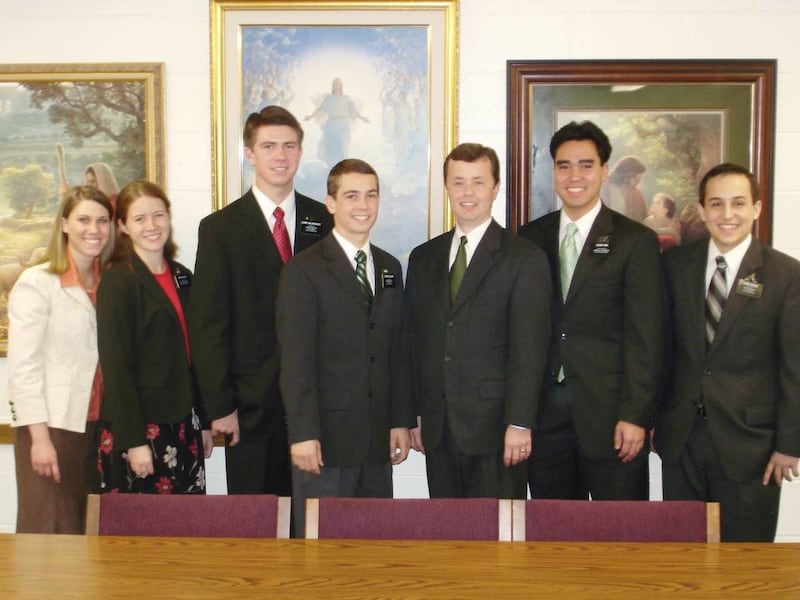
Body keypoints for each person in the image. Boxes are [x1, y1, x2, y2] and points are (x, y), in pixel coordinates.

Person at [189, 105, 333, 496]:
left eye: (289, 145)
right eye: (269, 146)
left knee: (314, 519)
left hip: (317, 408)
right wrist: (219, 408)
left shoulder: (325, 221)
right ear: (250, 154)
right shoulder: (220, 229)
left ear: (300, 151)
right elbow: (208, 327)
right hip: (247, 412)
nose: (280, 155)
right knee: (257, 521)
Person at [518, 121, 664, 501]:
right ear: (553, 171)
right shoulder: (529, 240)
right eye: (564, 166)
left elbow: (647, 339)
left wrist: (636, 415)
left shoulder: (635, 241)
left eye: (586, 165)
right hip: (545, 421)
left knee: (618, 531)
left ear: (604, 171)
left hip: (613, 420)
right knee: (554, 531)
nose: (574, 176)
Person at [655, 163, 800, 541]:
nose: (727, 214)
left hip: (752, 445)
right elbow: (660, 351)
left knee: (745, 558)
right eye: (716, 204)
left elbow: (795, 366)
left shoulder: (786, 275)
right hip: (683, 438)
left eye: (738, 203)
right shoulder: (674, 265)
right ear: (702, 211)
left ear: (757, 208)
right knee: (682, 554)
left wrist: (790, 444)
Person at [404, 143, 551, 499]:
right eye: (458, 182)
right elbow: (413, 342)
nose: (467, 193)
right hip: (438, 428)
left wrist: (520, 422)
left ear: (495, 188)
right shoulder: (424, 258)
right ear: (447, 187)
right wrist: (414, 414)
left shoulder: (524, 258)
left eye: (478, 182)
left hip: (497, 430)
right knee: (448, 528)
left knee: (497, 531)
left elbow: (530, 349)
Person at [276, 158, 414, 536]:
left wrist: (399, 420)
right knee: (322, 549)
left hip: (376, 443)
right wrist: (302, 433)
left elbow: (397, 352)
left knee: (373, 549)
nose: (363, 205)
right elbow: (295, 361)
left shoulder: (389, 267)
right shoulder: (303, 271)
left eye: (371, 195)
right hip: (323, 442)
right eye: (351, 196)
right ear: (331, 202)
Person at [7, 186, 113, 533]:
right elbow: (23, 368)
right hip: (52, 427)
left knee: (85, 533)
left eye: (102, 221)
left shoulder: (110, 283)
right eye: (84, 220)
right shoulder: (37, 282)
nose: (93, 229)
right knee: (49, 532)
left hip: (95, 429)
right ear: (65, 224)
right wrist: (39, 439)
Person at [96, 181, 213, 494]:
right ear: (123, 226)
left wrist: (203, 421)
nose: (152, 225)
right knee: (146, 524)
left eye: (158, 215)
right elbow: (116, 367)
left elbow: (196, 355)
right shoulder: (118, 281)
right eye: (140, 218)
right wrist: (134, 441)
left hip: (184, 424)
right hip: (141, 428)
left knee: (187, 520)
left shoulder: (182, 276)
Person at [305, 78, 369, 167]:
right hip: (331, 124)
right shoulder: (328, 98)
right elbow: (320, 108)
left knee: (343, 147)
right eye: (335, 84)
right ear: (332, 86)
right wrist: (310, 116)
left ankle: (344, 167)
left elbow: (353, 110)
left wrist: (362, 118)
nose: (337, 86)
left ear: (341, 86)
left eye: (338, 84)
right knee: (330, 147)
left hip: (342, 124)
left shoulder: (347, 98)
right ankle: (331, 168)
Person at [602, 155, 649, 222]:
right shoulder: (604, 188)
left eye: (640, 175)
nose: (639, 179)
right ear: (626, 174)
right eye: (636, 175)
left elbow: (645, 219)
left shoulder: (637, 194)